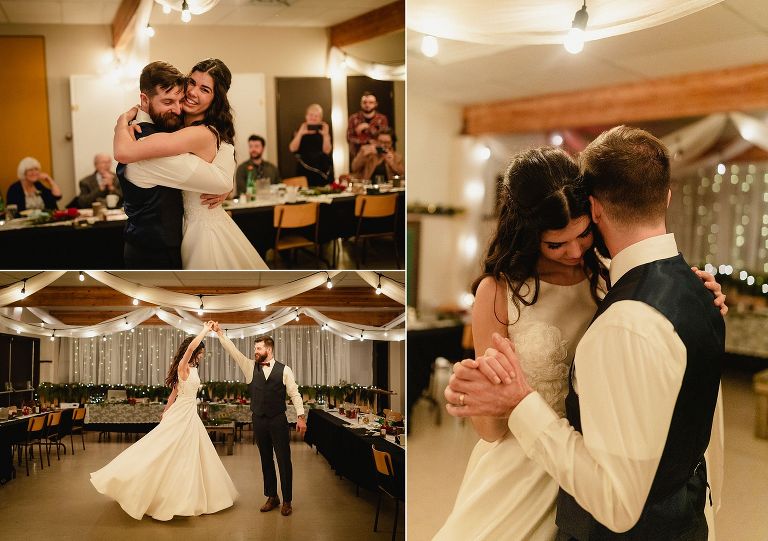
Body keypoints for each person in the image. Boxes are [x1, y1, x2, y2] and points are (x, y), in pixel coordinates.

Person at [435, 144, 726, 540]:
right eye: (556, 244)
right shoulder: (499, 292)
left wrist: (700, 306)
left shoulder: (612, 277)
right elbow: (491, 431)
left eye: (583, 233)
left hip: (594, 464)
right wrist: (477, 394)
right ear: (527, 234)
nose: (574, 251)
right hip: (521, 471)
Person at [114, 59, 268, 270]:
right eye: (191, 82)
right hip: (171, 236)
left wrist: (121, 124)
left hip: (202, 231)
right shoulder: (174, 122)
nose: (193, 92)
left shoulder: (199, 132)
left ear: (216, 99)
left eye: (204, 89)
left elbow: (123, 152)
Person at [90, 322, 238, 520]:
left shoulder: (193, 370)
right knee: (164, 450)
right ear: (192, 352)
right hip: (182, 414)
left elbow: (173, 393)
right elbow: (192, 348)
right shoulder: (183, 366)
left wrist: (164, 412)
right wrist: (205, 329)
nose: (202, 355)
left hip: (188, 414)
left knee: (189, 454)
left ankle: (187, 495)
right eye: (201, 352)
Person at [212, 324, 306, 517]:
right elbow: (233, 351)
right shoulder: (249, 366)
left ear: (269, 350)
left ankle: (287, 500)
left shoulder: (285, 370)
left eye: (259, 348)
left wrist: (300, 416)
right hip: (259, 420)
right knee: (265, 460)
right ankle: (272, 496)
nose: (255, 352)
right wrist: (220, 334)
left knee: (283, 460)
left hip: (278, 420)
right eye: (255, 349)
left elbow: (295, 394)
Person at [288, 103, 333, 187]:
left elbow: (327, 151)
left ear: (321, 119)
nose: (313, 118)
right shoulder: (298, 131)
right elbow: (292, 149)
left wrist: (326, 135)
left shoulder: (324, 132)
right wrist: (300, 133)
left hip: (321, 170)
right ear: (306, 116)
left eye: (316, 116)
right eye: (311, 115)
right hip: (304, 170)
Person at [347, 91, 389, 161]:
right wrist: (367, 141)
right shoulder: (353, 118)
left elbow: (384, 138)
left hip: (377, 155)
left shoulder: (382, 119)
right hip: (358, 154)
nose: (367, 105)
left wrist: (369, 127)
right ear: (361, 104)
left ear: (376, 104)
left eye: (371, 102)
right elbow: (349, 137)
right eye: (364, 102)